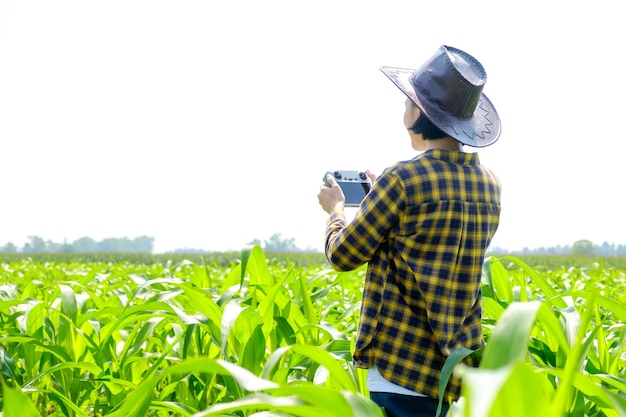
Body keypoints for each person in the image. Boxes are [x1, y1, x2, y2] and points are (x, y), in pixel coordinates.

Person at [317, 45, 502, 417]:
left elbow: (342, 255)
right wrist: (381, 199)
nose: (404, 111)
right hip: (456, 370)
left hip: (402, 368)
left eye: (407, 103)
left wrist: (336, 210)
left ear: (418, 113)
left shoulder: (402, 179)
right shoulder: (489, 184)